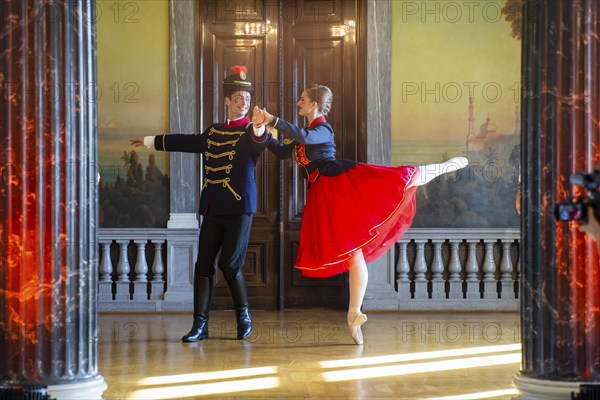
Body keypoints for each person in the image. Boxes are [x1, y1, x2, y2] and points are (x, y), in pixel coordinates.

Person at [252, 84, 468, 345]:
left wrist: (273, 119)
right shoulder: (305, 134)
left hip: (340, 185)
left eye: (302, 99)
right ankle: (354, 314)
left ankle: (443, 167)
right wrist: (260, 127)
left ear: (314, 105)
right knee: (353, 252)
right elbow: (282, 150)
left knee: (398, 179)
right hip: (324, 196)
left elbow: (304, 138)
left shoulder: (322, 129)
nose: (298, 103)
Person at [130, 66, 270, 342]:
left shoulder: (252, 132)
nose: (244, 103)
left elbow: (260, 138)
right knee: (203, 265)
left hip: (240, 208)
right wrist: (151, 141)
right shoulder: (215, 131)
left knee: (230, 265)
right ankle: (200, 325)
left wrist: (260, 125)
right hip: (213, 207)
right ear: (228, 101)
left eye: (247, 98)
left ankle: (243, 316)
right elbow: (188, 142)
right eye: (239, 98)